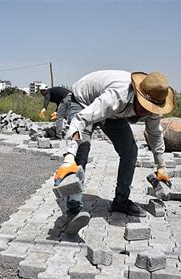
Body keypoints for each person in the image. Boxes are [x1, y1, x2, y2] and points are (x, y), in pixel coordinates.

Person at [57, 70, 175, 234]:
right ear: (137, 94)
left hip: (114, 115)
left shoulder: (155, 105)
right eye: (143, 106)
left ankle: (120, 201)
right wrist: (69, 157)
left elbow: (154, 134)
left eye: (150, 109)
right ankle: (73, 210)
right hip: (83, 102)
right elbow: (80, 119)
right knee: (81, 150)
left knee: (130, 152)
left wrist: (161, 166)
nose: (145, 112)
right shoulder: (117, 95)